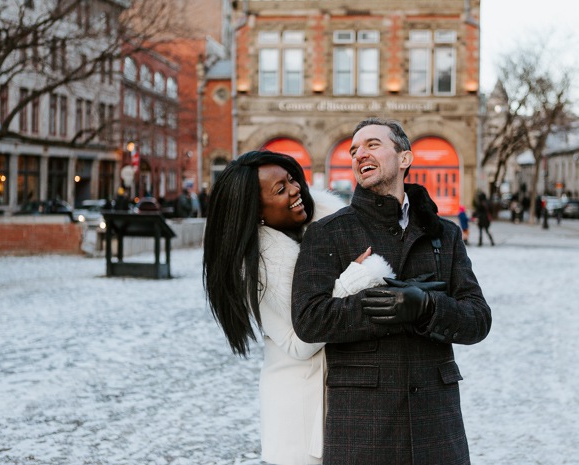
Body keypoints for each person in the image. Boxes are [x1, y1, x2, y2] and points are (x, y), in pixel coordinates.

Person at [292, 118, 492, 465]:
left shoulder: (444, 234)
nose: (359, 155)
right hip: (363, 423)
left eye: (372, 145)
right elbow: (309, 320)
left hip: (437, 423)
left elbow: (478, 319)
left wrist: (429, 308)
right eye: (353, 150)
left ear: (404, 158)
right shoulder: (327, 233)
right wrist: (384, 308)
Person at [203, 151, 394, 465]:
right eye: (280, 190)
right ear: (257, 213)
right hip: (301, 414)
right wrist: (353, 282)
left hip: (345, 400)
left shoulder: (328, 225)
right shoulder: (261, 267)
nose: (294, 189)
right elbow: (299, 342)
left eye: (291, 179)